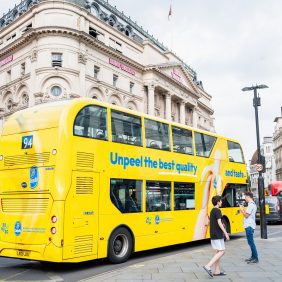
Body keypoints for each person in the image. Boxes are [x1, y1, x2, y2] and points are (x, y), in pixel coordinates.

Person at [203, 195, 230, 278]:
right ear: (218, 202)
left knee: (217, 252)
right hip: (218, 234)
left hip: (213, 234)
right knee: (222, 251)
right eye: (221, 201)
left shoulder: (212, 210)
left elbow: (210, 221)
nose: (222, 202)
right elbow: (219, 222)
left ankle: (217, 271)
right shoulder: (218, 210)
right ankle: (208, 265)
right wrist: (225, 233)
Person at [239, 191, 258, 264]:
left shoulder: (251, 205)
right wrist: (243, 209)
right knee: (250, 242)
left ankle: (255, 258)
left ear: (248, 197)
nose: (245, 199)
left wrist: (241, 210)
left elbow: (246, 216)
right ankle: (253, 257)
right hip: (249, 225)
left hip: (249, 225)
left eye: (245, 197)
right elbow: (247, 214)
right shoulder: (251, 205)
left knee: (251, 242)